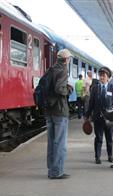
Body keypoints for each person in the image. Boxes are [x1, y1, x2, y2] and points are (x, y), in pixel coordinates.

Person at [46, 49, 73, 179]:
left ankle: (51, 170)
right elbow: (59, 89)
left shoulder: (51, 69)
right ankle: (57, 172)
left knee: (51, 142)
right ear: (66, 60)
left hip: (49, 110)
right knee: (60, 143)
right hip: (59, 110)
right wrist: (69, 88)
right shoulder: (62, 70)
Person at [85, 67, 113, 164]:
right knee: (98, 138)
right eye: (100, 75)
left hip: (109, 119)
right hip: (98, 117)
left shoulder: (112, 87)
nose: (101, 77)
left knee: (109, 138)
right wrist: (87, 115)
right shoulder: (95, 88)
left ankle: (110, 155)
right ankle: (97, 157)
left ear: (108, 77)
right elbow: (91, 103)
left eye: (104, 76)